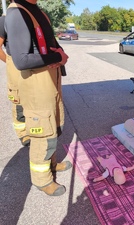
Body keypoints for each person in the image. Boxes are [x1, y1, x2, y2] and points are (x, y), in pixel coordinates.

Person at [5, 0, 70, 196]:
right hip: (36, 84)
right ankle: (42, 180)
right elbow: (21, 60)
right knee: (43, 133)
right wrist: (57, 58)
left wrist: (60, 56)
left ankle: (51, 164)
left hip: (49, 80)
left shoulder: (35, 10)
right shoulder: (17, 12)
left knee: (54, 126)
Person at [0, 4, 30, 147]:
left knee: (31, 99)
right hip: (15, 65)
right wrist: (10, 62)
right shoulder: (5, 19)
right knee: (18, 102)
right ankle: (23, 134)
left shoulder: (29, 16)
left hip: (30, 66)